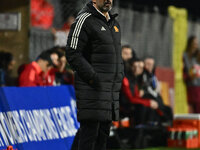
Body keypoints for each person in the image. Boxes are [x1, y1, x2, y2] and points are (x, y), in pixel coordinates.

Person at [66, 0, 123, 149]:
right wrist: (93, 78)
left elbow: (116, 57)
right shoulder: (84, 20)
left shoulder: (114, 24)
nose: (108, 0)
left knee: (102, 138)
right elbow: (73, 53)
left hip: (109, 92)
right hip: (92, 90)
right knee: (89, 136)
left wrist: (118, 77)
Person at [120, 58, 159, 126]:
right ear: (130, 67)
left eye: (140, 67)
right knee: (142, 106)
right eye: (135, 66)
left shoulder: (134, 79)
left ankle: (151, 126)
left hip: (132, 103)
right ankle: (139, 128)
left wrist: (149, 102)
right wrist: (148, 103)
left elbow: (136, 96)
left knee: (151, 104)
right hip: (124, 105)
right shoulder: (125, 79)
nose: (137, 69)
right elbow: (130, 99)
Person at [183, 36, 200, 113]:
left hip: (198, 84)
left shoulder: (198, 55)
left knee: (198, 105)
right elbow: (184, 69)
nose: (195, 45)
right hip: (191, 84)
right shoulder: (185, 56)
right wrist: (190, 76)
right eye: (194, 43)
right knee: (192, 105)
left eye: (196, 43)